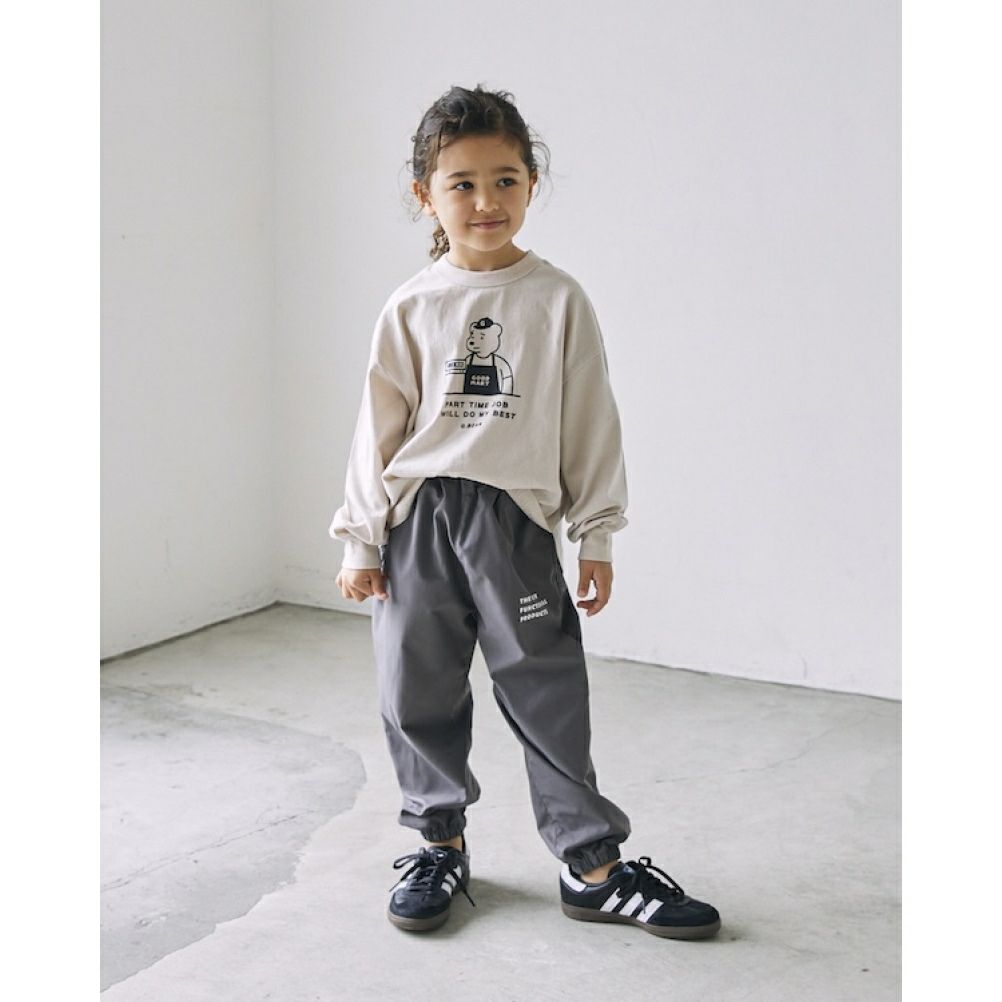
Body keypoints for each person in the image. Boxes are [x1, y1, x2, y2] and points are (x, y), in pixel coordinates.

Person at [329, 84, 720, 940]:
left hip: (514, 524)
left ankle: (592, 867)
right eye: (462, 183)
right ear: (425, 195)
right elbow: (379, 428)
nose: (486, 201)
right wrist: (362, 537)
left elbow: (590, 420)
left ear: (532, 183)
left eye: (505, 179)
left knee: (546, 689)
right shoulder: (412, 305)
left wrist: (597, 532)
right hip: (419, 521)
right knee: (414, 688)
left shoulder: (556, 298)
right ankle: (438, 843)